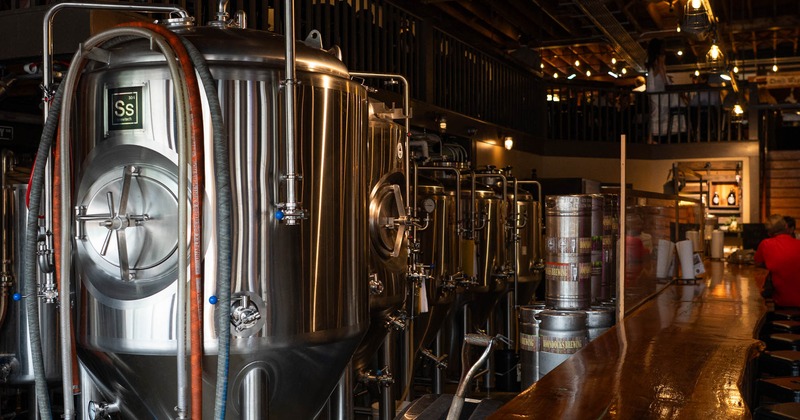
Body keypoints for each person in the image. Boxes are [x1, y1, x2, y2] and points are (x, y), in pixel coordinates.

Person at [754, 214, 800, 307]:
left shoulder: (766, 244)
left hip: (783, 302)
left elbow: (757, 263)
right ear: (786, 227)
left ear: (769, 232)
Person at [646, 39, 685, 142]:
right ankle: (671, 130)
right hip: (659, 91)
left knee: (656, 113)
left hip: (655, 90)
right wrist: (667, 83)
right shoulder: (659, 59)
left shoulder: (650, 61)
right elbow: (662, 71)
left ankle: (654, 137)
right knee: (672, 105)